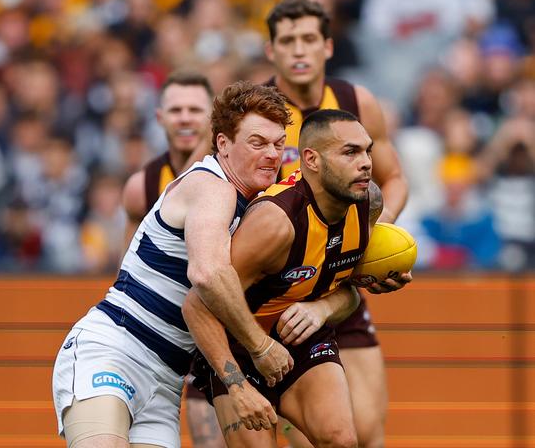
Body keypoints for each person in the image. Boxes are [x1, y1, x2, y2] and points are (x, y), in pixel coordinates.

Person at [52, 81, 294, 448]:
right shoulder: (213, 186)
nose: (272, 155)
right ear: (224, 144)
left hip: (166, 379)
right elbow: (207, 274)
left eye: (278, 144)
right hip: (114, 349)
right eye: (258, 143)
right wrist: (259, 349)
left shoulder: (255, 205)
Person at [183, 109, 410, 447]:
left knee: (342, 440)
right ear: (311, 160)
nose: (365, 163)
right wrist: (239, 381)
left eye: (367, 150)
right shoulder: (274, 224)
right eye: (350, 152)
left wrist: (322, 309)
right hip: (240, 346)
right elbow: (196, 306)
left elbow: (347, 293)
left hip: (302, 339)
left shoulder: (368, 205)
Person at [263, 0, 409, 448]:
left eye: (308, 39)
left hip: (340, 282)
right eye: (287, 41)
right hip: (283, 290)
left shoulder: (355, 101)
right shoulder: (258, 111)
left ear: (328, 46)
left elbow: (395, 179)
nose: (299, 50)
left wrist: (371, 237)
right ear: (271, 52)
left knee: (366, 433)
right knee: (315, 435)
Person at [121, 70, 226, 447]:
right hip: (167, 330)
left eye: (195, 109)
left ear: (213, 117)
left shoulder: (235, 173)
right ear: (159, 117)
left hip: (227, 321)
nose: (185, 118)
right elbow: (128, 271)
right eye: (176, 109)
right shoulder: (142, 186)